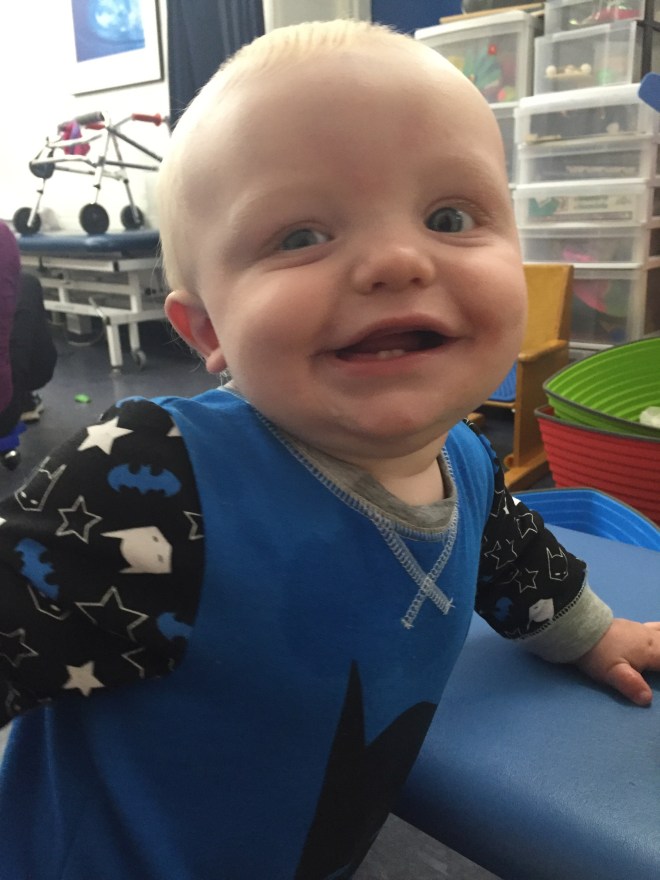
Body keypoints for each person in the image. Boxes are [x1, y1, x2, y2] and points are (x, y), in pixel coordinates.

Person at [0, 20, 658, 879]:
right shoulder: (154, 480)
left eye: (450, 217)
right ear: (208, 330)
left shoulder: (462, 458)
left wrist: (591, 634)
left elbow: (508, 559)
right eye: (301, 236)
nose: (396, 260)